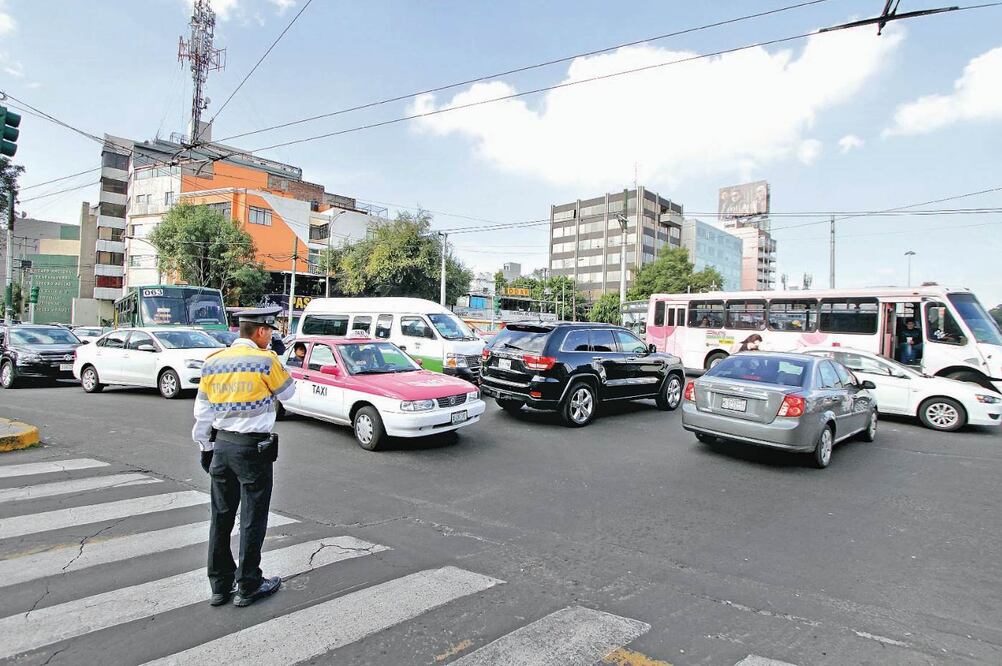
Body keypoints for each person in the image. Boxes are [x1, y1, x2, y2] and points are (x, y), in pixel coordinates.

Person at [192, 306, 297, 608]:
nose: (272, 336)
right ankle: (248, 584)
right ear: (261, 331)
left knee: (221, 517)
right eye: (271, 332)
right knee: (252, 517)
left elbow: (202, 414)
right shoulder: (266, 361)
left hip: (221, 447)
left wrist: (205, 447)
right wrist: (279, 359)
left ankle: (219, 585)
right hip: (253, 450)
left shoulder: (213, 363)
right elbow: (289, 393)